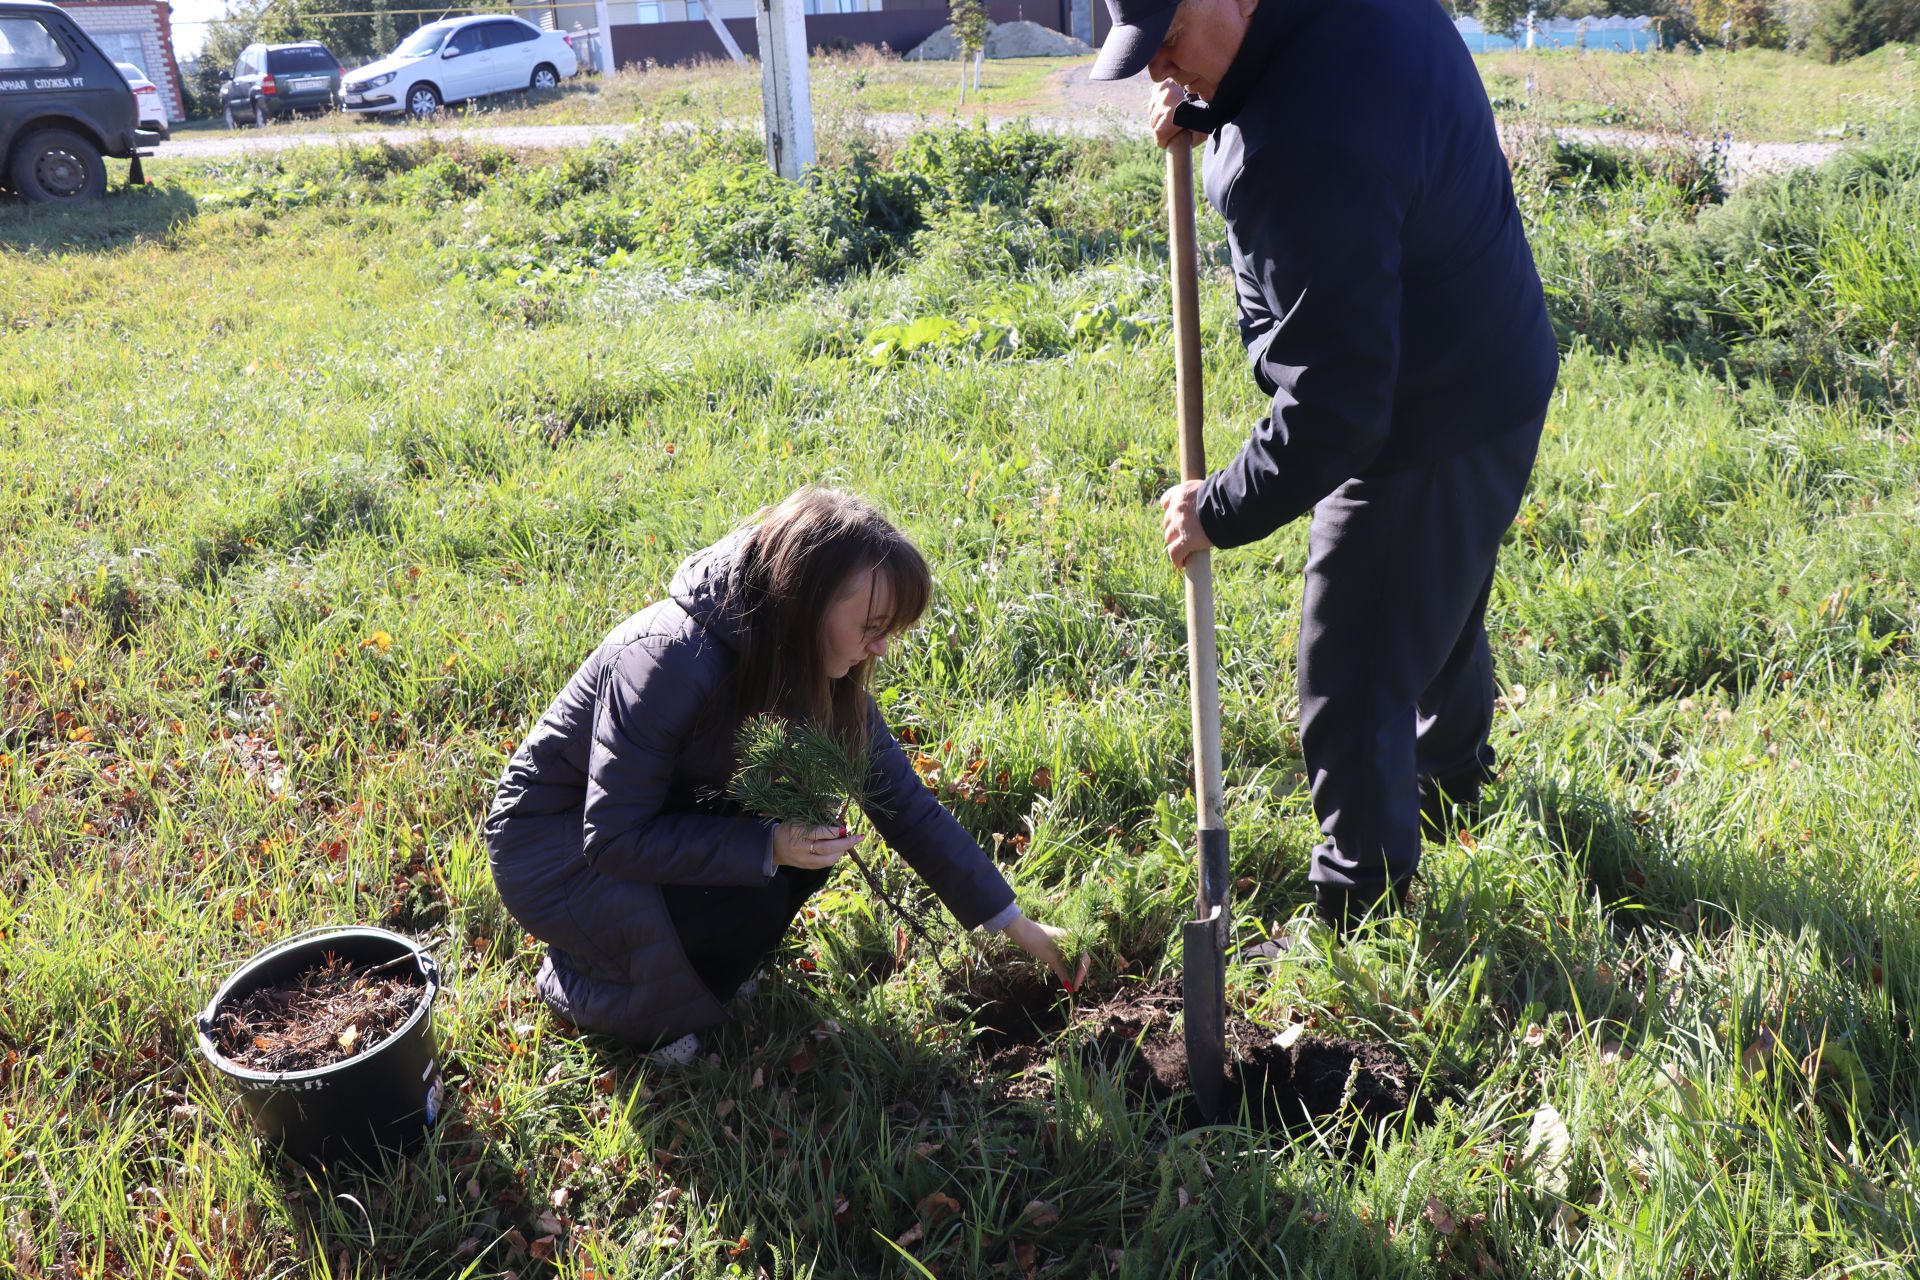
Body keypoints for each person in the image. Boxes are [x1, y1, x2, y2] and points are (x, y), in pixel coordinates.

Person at [1091, 0, 1560, 929]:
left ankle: (1365, 909)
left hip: (1424, 409)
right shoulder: (1314, 32)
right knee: (1436, 594)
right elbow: (1296, 90)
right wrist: (1208, 108)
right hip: (1492, 359)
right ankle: (1453, 784)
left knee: (1350, 658)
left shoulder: (1303, 146)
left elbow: (1337, 411)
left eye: (1170, 45)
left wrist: (1216, 507)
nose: (1160, 74)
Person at [485, 487, 1073, 1062]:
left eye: (890, 629)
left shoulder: (811, 662)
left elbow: (904, 804)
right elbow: (612, 835)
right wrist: (765, 843)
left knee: (793, 855)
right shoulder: (669, 659)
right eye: (871, 626)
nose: (882, 649)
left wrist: (1012, 921)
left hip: (668, 813)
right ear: (805, 601)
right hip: (551, 848)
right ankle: (602, 997)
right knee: (740, 897)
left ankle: (691, 969)